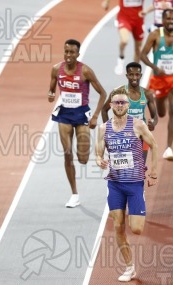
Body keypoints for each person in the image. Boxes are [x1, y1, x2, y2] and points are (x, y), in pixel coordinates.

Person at [95, 87, 158, 282]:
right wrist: (99, 161)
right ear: (111, 105)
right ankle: (129, 267)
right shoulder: (103, 129)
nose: (120, 105)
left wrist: (153, 171)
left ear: (128, 105)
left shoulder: (138, 125)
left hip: (135, 183)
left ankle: (140, 203)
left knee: (137, 229)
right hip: (115, 184)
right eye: (116, 102)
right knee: (118, 226)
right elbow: (98, 153)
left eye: (123, 102)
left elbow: (154, 145)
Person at [48, 39, 107, 208]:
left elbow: (103, 93)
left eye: (72, 52)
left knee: (82, 159)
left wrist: (95, 116)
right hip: (64, 115)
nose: (68, 55)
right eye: (66, 52)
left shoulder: (86, 71)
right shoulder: (56, 69)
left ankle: (87, 156)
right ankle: (74, 194)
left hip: (81, 115)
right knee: (67, 153)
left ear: (78, 54)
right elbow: (51, 89)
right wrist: (51, 94)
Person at [140, 9, 173, 160]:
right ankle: (160, 104)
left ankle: (169, 148)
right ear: (162, 21)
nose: (170, 22)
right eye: (168, 19)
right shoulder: (155, 35)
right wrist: (155, 67)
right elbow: (143, 55)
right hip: (159, 80)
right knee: (161, 113)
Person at [102, 62, 158, 161]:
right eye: (131, 75)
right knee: (123, 171)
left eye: (137, 74)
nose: (134, 78)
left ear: (141, 75)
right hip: (122, 137)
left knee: (139, 171)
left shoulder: (147, 94)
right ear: (127, 76)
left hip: (141, 136)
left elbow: (155, 116)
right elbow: (104, 110)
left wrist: (153, 124)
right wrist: (108, 133)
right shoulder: (118, 92)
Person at [101, 0, 146, 75]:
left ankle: (135, 71)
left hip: (138, 19)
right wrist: (106, 2)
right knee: (124, 40)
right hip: (124, 18)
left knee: (138, 50)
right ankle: (121, 57)